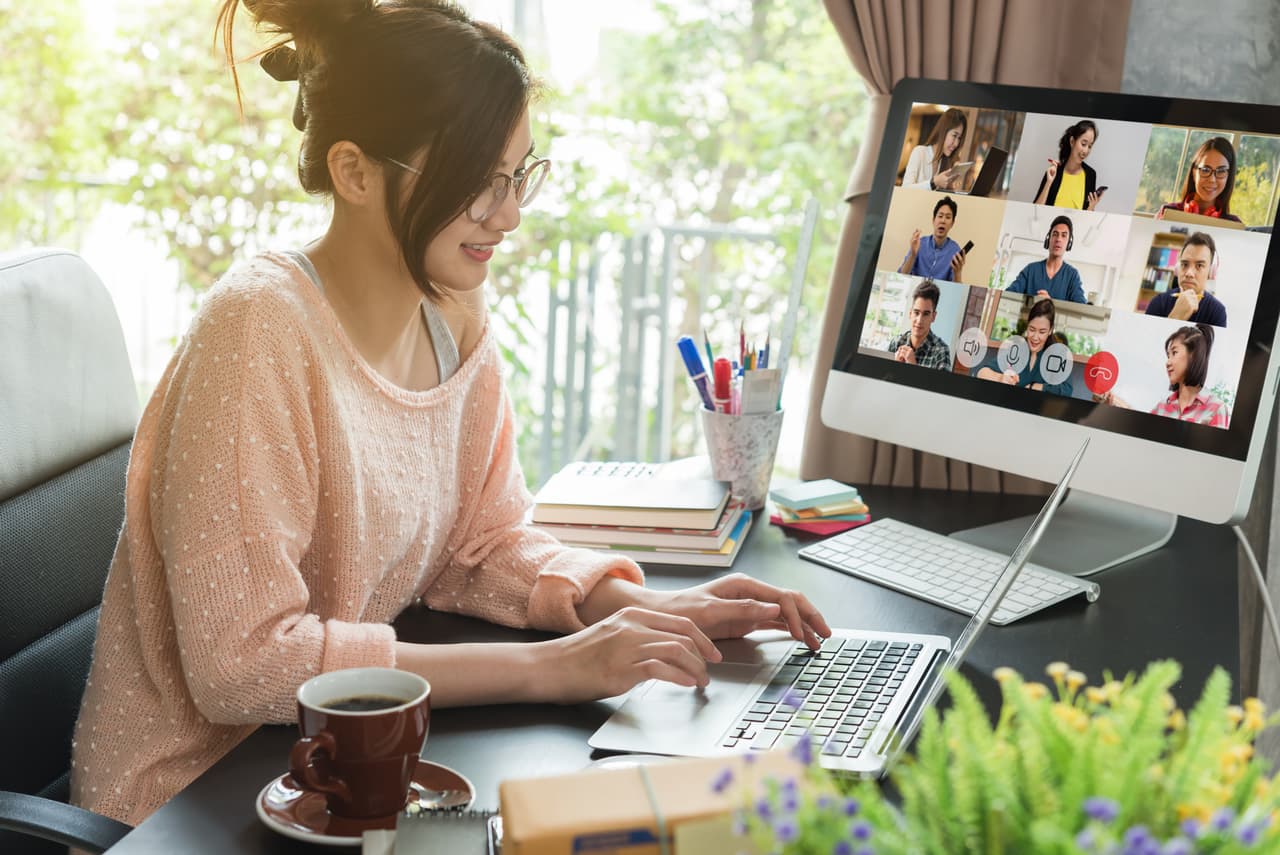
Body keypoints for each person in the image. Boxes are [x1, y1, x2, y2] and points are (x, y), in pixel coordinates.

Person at [70, 0, 831, 827]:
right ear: (356, 171)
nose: (507, 215)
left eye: (517, 176)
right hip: (188, 804)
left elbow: (478, 543)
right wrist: (555, 669)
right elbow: (242, 665)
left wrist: (639, 610)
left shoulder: (453, 321)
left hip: (342, 765)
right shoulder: (258, 329)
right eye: (478, 183)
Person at [1103, 324, 1230, 427]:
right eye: (1168, 356)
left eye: (1174, 353)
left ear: (1194, 355)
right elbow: (1141, 428)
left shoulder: (1216, 409)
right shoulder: (1162, 407)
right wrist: (1114, 404)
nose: (1167, 362)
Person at [974, 298, 1074, 396]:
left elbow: (1067, 389)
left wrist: (1037, 387)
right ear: (1027, 326)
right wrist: (1000, 378)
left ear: (1050, 330)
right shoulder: (1017, 348)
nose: (1035, 337)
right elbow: (981, 372)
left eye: (1042, 332)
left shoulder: (1057, 355)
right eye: (1032, 329)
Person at [1144, 231, 1227, 326]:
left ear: (1211, 272)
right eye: (1184, 264)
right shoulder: (1158, 302)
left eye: (1199, 265)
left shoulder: (1217, 312)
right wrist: (1175, 317)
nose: (1189, 273)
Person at [1156, 137, 1242, 223]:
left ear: (1228, 177)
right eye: (1205, 170)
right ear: (1194, 173)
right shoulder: (1167, 213)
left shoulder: (1234, 224)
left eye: (1221, 171)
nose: (1212, 179)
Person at [1004, 215, 1086, 303]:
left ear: (1069, 243)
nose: (1058, 239)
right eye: (1055, 234)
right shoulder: (1031, 269)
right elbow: (1009, 295)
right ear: (1048, 239)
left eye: (1064, 236)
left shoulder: (1072, 275)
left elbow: (1081, 306)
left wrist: (1049, 304)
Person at [1033, 120, 1104, 210]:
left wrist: (1092, 206)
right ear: (1072, 141)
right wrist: (1048, 183)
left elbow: (1086, 218)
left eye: (1090, 146)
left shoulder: (1090, 175)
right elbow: (1035, 210)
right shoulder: (1055, 172)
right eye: (1083, 144)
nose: (1086, 151)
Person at [897, 196, 968, 281]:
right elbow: (902, 275)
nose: (943, 221)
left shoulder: (955, 250)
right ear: (933, 220)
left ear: (952, 223)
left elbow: (955, 287)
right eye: (940, 216)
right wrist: (913, 254)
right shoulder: (919, 243)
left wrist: (958, 272)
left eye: (948, 217)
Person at [887, 279, 951, 369]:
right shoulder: (895, 343)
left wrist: (913, 367)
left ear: (933, 317)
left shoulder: (941, 352)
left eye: (926, 314)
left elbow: (941, 384)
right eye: (916, 312)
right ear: (910, 313)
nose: (919, 320)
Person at [901, 108, 969, 191]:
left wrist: (949, 188)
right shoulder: (920, 152)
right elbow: (905, 189)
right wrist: (933, 182)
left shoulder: (944, 162)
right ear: (943, 131)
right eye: (954, 136)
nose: (956, 144)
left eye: (959, 138)